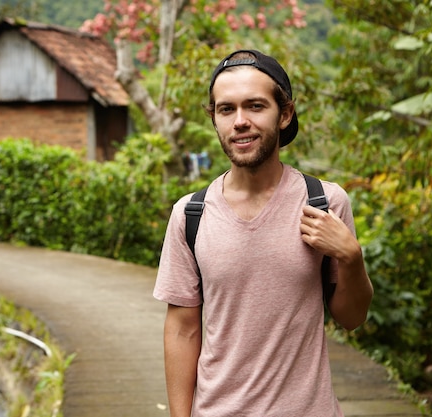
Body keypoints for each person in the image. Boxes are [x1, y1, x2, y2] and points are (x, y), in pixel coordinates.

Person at [153, 49, 374, 417]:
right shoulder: (191, 214)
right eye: (226, 109)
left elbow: (351, 318)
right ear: (215, 119)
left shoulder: (324, 202)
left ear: (284, 114)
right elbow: (182, 330)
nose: (240, 121)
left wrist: (351, 258)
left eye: (255, 106)